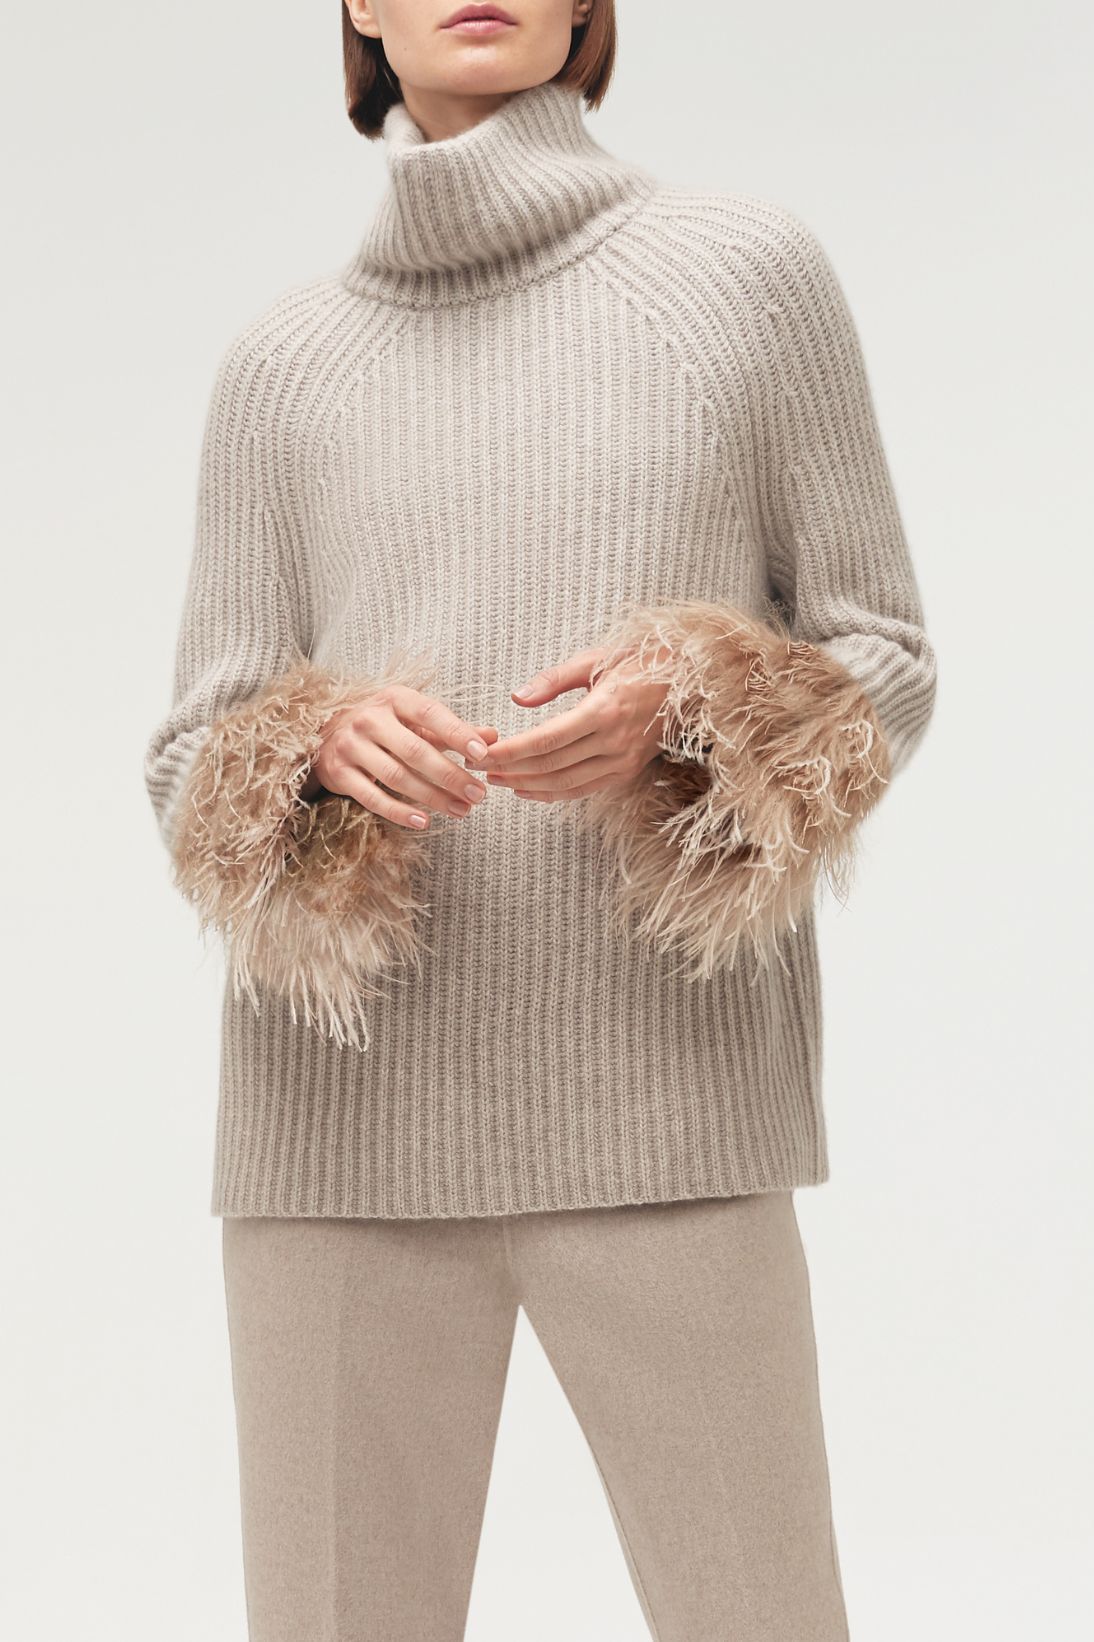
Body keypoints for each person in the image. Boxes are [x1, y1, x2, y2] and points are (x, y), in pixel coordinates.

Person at [143, 3, 937, 1638]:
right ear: (356, 6)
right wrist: (313, 743)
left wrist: (693, 701)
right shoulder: (280, 368)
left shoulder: (740, 273)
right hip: (337, 1131)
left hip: (667, 1099)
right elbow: (188, 753)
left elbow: (883, 654)